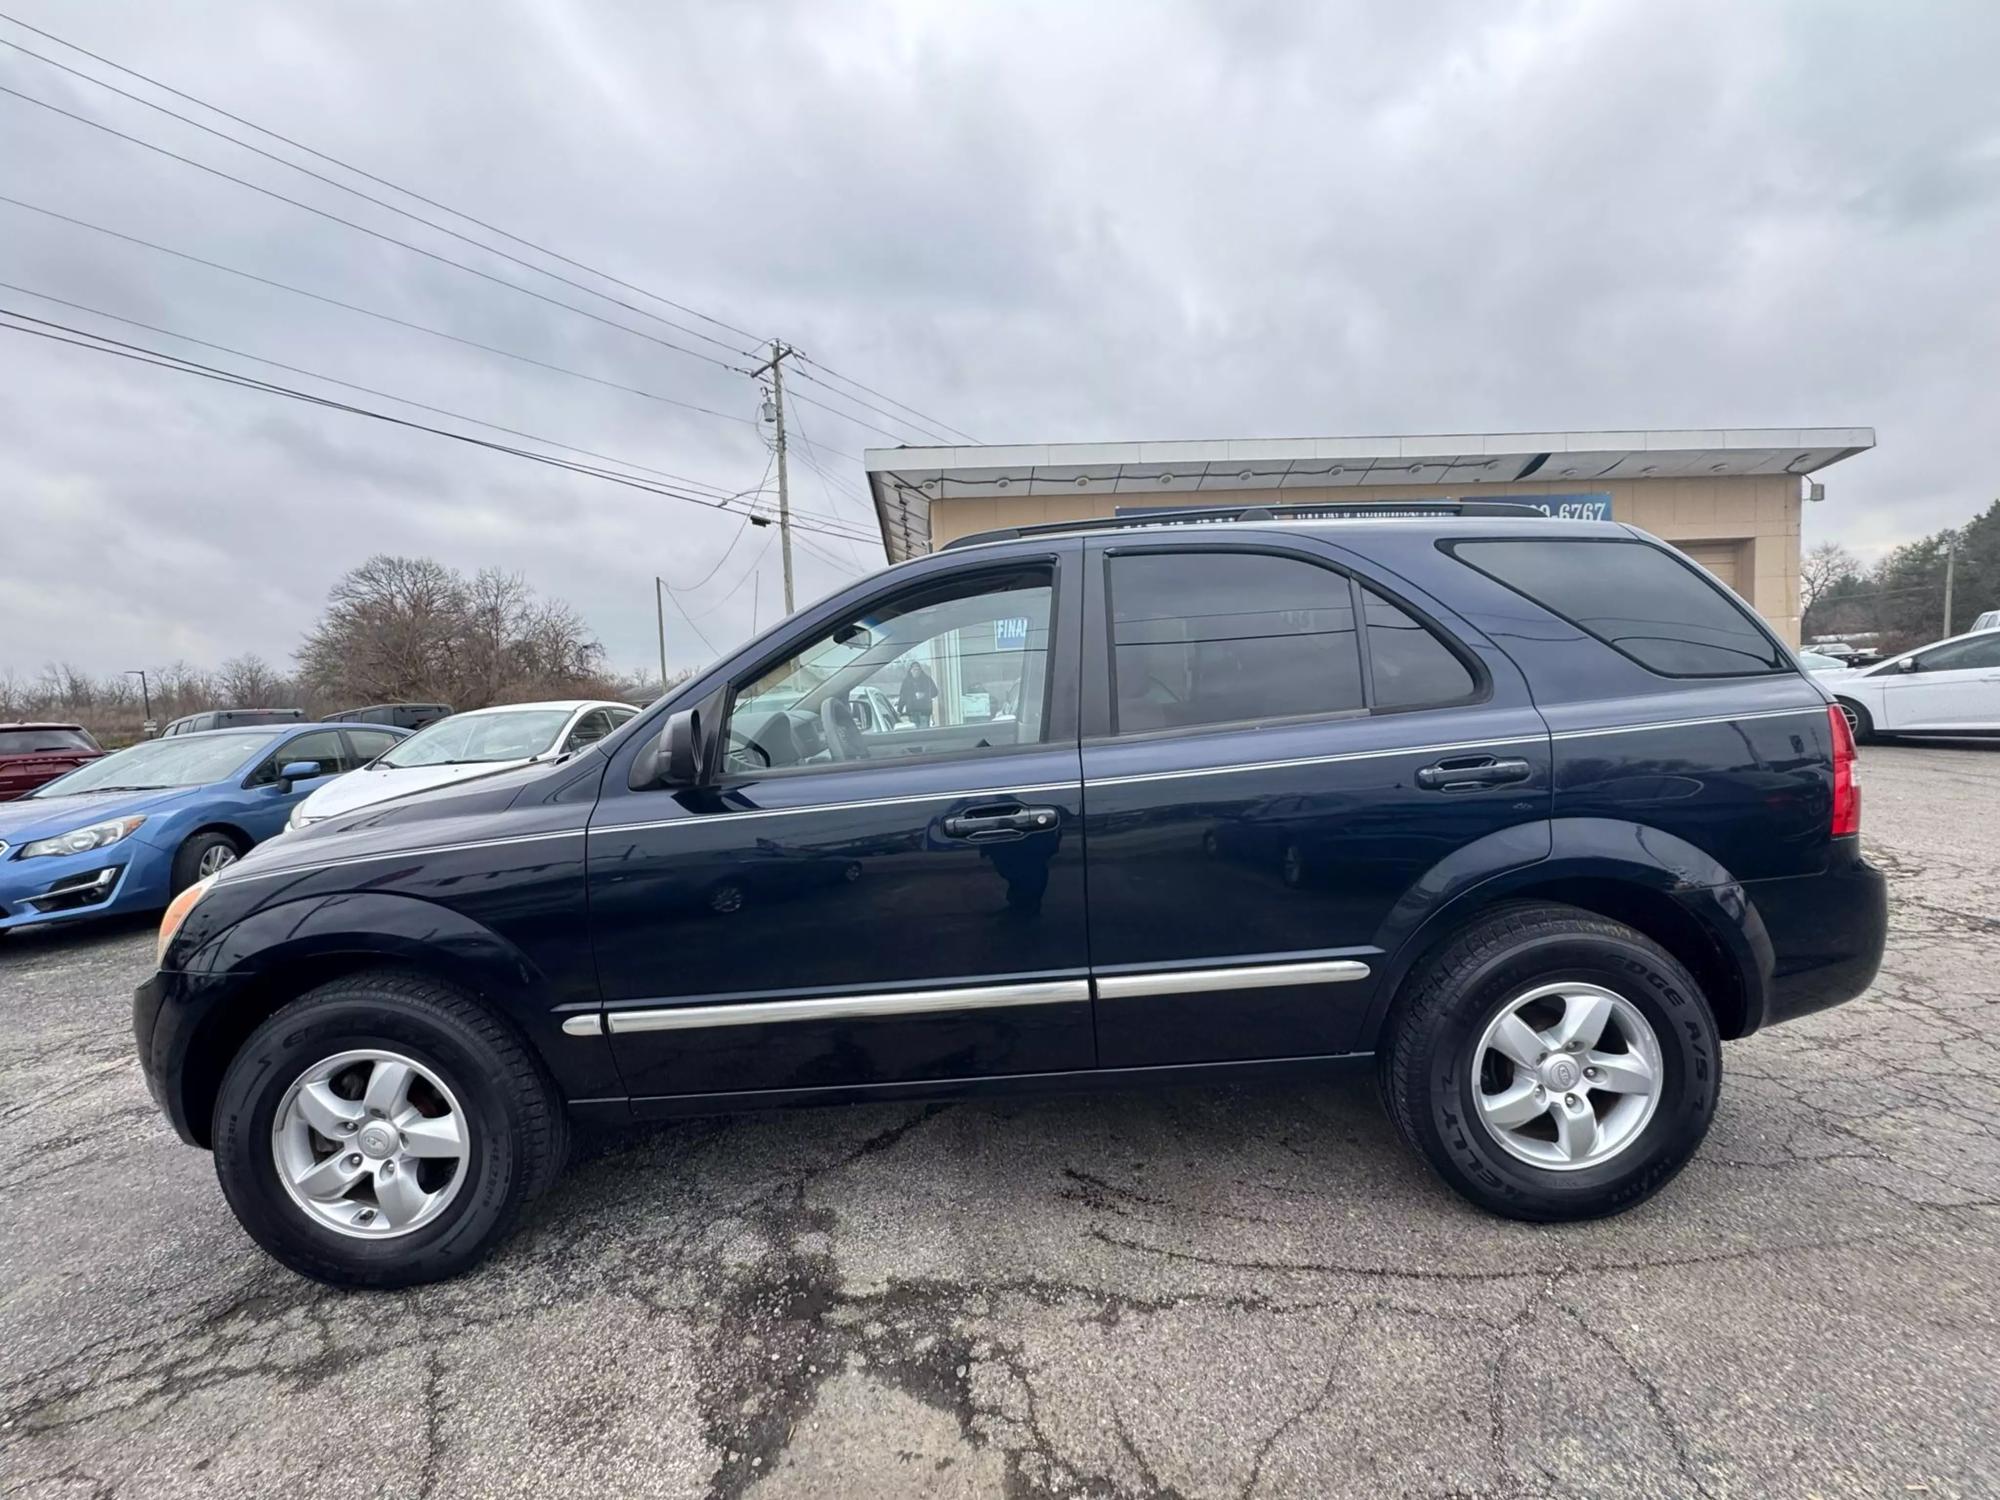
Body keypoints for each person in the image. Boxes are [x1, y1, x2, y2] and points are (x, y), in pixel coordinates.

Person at [898, 659, 939, 728]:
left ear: (921, 670)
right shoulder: (906, 681)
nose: (916, 671)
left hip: (924, 711)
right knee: (914, 732)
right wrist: (899, 709)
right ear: (910, 671)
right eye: (914, 670)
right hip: (912, 711)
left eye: (918, 669)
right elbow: (903, 696)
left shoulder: (927, 679)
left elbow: (935, 692)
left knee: (924, 731)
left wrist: (924, 695)